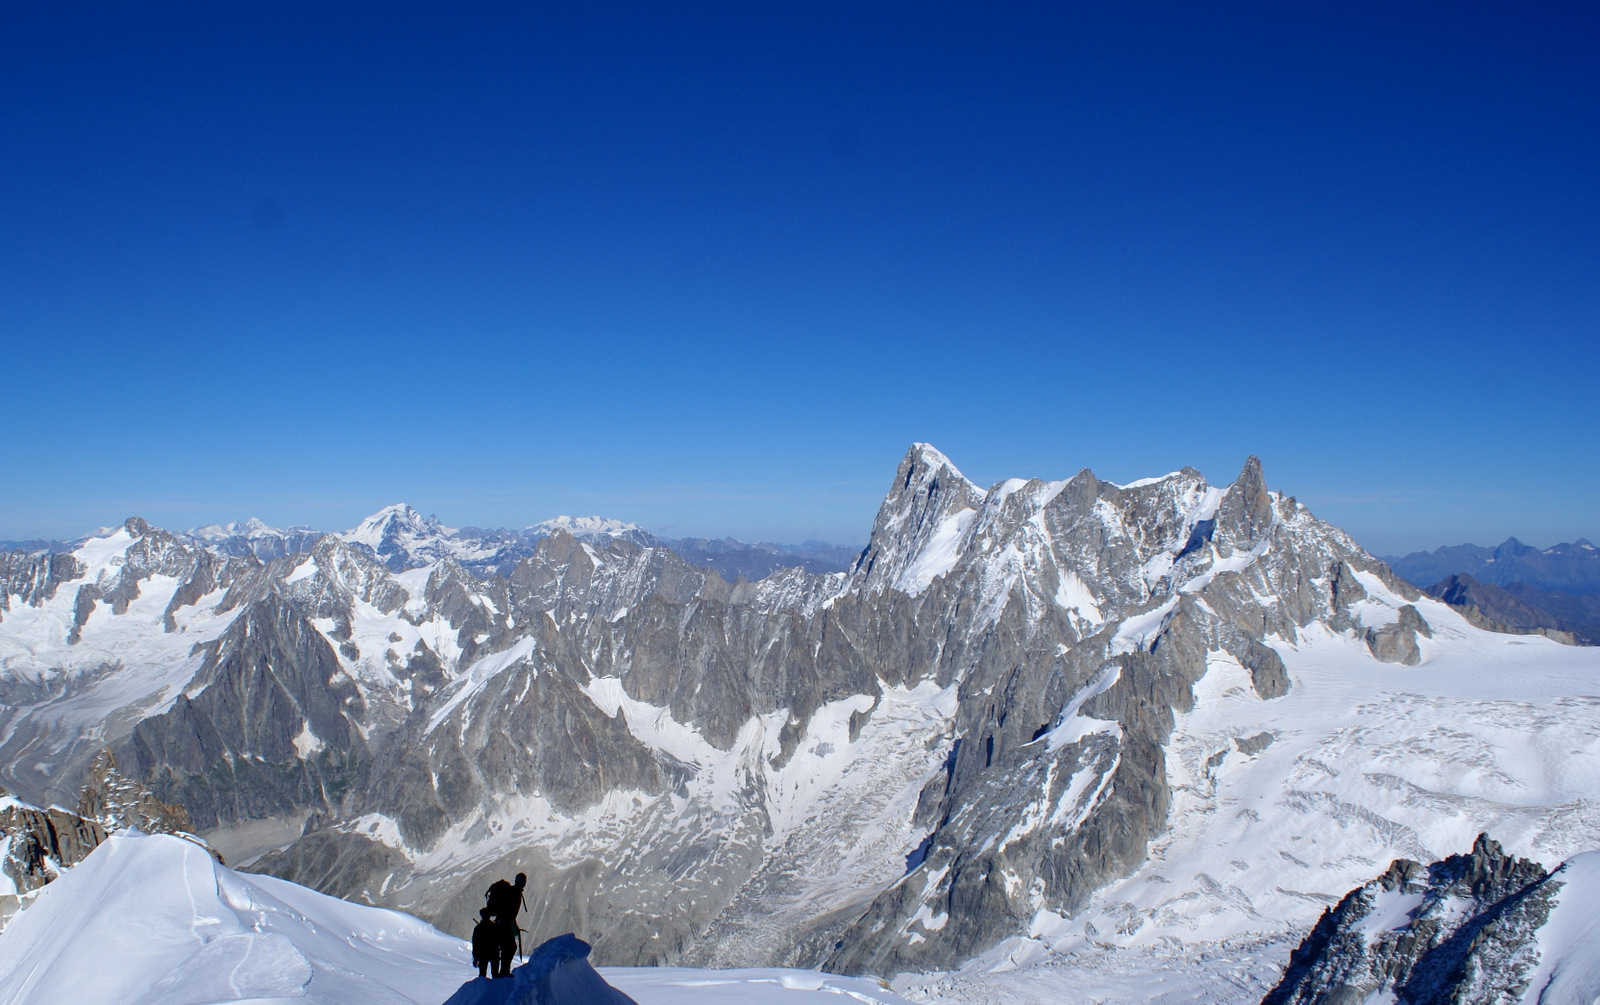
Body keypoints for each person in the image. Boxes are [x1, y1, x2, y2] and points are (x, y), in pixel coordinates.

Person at [483, 873, 527, 978]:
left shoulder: (512, 892)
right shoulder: (514, 893)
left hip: (502, 923)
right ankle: (504, 971)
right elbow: (508, 911)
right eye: (521, 881)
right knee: (509, 947)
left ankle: (500, 971)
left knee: (505, 947)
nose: (523, 883)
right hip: (504, 924)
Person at [470, 909, 496, 979]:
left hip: (482, 954)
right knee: (495, 974)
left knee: (482, 975)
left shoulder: (478, 928)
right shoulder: (494, 927)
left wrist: (475, 957)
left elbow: (475, 944)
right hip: (493, 953)